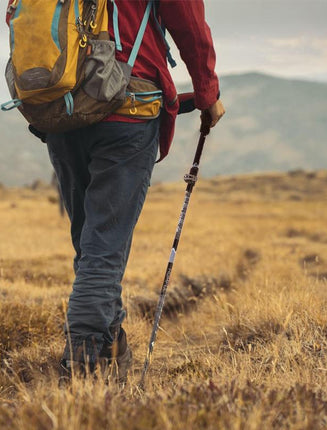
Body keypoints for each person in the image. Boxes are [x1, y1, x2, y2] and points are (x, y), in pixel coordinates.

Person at [46, 0, 225, 381]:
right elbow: (188, 21)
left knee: (92, 246)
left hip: (60, 109)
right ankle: (84, 366)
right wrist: (207, 93)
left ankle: (112, 348)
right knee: (102, 251)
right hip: (128, 104)